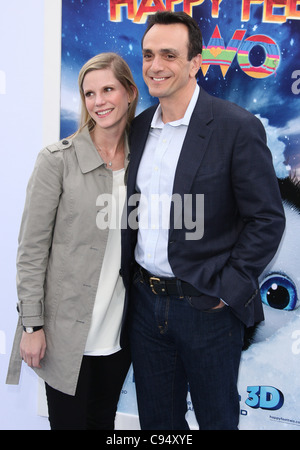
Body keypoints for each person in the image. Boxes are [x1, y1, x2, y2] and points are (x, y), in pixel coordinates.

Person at [121, 11, 285, 430]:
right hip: (145, 306)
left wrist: (228, 289)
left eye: (169, 55)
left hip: (208, 309)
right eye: (148, 55)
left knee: (216, 421)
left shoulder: (235, 127)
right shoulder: (138, 129)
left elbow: (266, 218)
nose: (155, 66)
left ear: (196, 62)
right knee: (159, 426)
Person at [6, 52, 138, 430]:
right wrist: (32, 327)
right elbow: (30, 251)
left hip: (117, 334)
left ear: (129, 92)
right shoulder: (56, 162)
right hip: (64, 335)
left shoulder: (143, 162)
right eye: (89, 93)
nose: (99, 102)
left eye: (108, 89)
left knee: (104, 425)